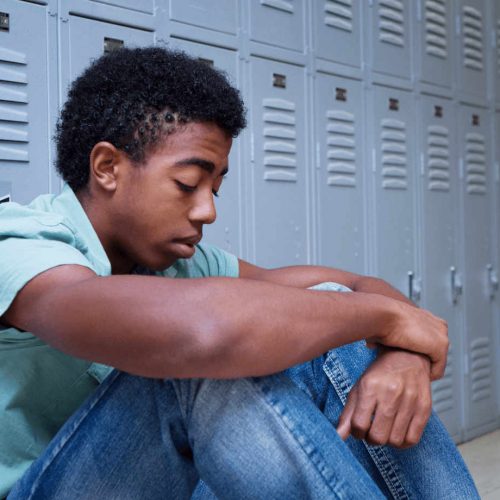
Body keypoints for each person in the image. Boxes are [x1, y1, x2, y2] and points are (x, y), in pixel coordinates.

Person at [0, 46, 478, 499]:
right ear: (107, 167)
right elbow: (204, 329)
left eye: (216, 187)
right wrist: (390, 321)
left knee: (329, 317)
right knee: (196, 355)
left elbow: (352, 287)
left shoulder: (175, 264)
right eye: (187, 184)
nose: (207, 211)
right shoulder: (23, 244)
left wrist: (402, 354)